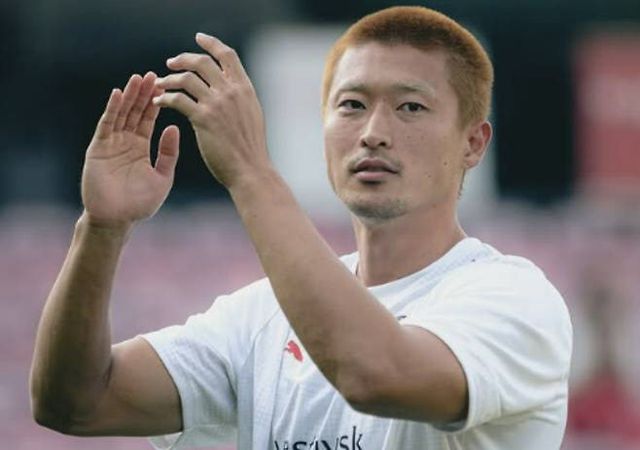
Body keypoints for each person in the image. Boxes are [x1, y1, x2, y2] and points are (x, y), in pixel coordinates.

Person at [30, 6, 572, 450]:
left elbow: (375, 375)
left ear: (473, 143)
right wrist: (101, 230)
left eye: (410, 107)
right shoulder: (263, 315)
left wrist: (250, 170)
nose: (374, 132)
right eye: (352, 105)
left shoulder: (512, 297)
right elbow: (75, 404)